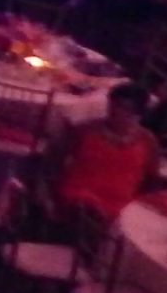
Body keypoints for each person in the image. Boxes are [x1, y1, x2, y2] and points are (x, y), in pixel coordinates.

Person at [48, 83, 160, 223]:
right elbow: (52, 161)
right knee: (86, 213)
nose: (116, 111)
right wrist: (47, 197)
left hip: (121, 205)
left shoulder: (148, 140)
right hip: (80, 198)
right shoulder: (85, 130)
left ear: (138, 114)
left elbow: (151, 179)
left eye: (125, 108)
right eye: (114, 105)